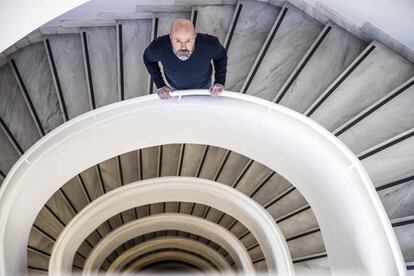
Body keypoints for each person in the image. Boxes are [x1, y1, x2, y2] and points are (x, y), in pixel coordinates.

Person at [143, 19, 228, 99]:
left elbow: (221, 56)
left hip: (204, 85)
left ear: (195, 37)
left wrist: (219, 81)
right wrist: (160, 84)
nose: (183, 47)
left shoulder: (210, 44)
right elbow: (148, 58)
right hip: (175, 87)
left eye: (188, 41)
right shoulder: (159, 47)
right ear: (171, 38)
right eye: (178, 41)